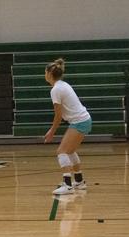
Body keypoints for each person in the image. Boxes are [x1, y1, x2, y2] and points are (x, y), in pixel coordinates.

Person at [44, 59, 91, 195]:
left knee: (61, 151)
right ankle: (79, 181)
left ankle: (68, 185)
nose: (44, 75)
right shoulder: (62, 84)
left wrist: (52, 131)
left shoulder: (56, 90)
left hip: (80, 121)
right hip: (84, 119)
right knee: (69, 151)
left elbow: (58, 115)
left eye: (45, 72)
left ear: (49, 74)